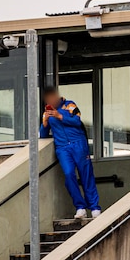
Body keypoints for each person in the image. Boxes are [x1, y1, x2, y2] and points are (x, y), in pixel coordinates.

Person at [40, 86, 101, 219]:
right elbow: (43, 135)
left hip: (78, 143)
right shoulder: (47, 113)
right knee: (69, 174)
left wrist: (60, 116)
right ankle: (80, 207)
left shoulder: (70, 105)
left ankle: (94, 207)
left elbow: (77, 121)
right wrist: (44, 123)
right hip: (62, 148)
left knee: (86, 174)